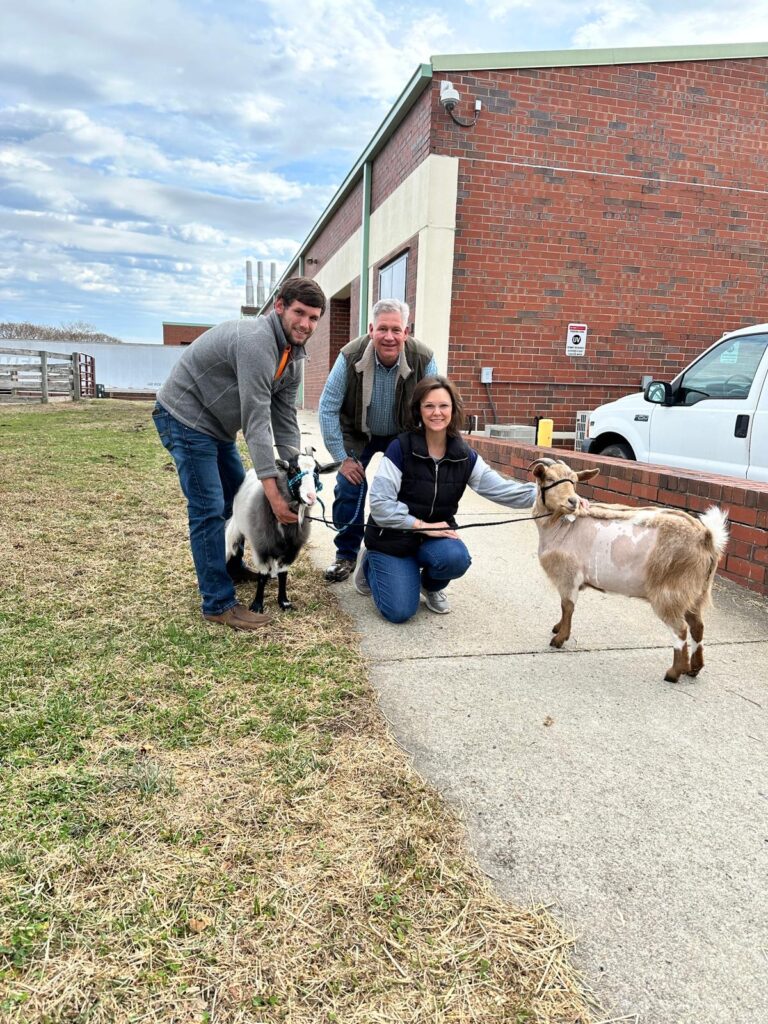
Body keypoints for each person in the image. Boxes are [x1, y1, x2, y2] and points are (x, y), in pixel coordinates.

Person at [152, 277, 326, 631]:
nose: (305, 324)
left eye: (313, 318)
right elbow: (257, 422)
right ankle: (217, 602)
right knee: (209, 508)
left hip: (215, 428)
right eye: (299, 313)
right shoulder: (257, 343)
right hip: (184, 418)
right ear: (279, 306)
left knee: (237, 496)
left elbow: (284, 419)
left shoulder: (293, 356)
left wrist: (294, 473)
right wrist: (275, 495)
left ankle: (231, 566)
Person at [355, 375, 537, 623]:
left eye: (443, 406)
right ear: (418, 410)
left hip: (432, 539)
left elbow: (502, 490)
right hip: (391, 539)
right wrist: (422, 526)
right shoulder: (400, 448)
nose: (436, 413)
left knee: (456, 559)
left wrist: (553, 494)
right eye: (429, 406)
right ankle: (370, 563)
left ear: (453, 409)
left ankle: (429, 585)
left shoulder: (464, 456)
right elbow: (380, 505)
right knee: (400, 612)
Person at [318, 298, 438, 583]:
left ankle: (403, 548)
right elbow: (327, 407)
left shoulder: (424, 358)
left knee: (409, 487)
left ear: (406, 332)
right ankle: (345, 555)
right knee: (350, 485)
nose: (389, 336)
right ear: (371, 329)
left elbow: (435, 407)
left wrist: (427, 452)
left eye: (396, 329)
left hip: (403, 432)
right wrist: (342, 458)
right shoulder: (349, 355)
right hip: (359, 433)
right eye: (382, 329)